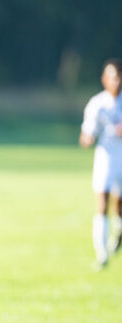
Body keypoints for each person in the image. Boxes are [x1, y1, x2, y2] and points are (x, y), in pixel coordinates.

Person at [79, 58, 122, 270]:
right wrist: (87, 138)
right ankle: (102, 253)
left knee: (118, 205)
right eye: (112, 77)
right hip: (105, 157)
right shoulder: (97, 104)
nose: (116, 81)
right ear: (104, 79)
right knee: (102, 202)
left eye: (119, 77)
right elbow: (87, 133)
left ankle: (118, 230)